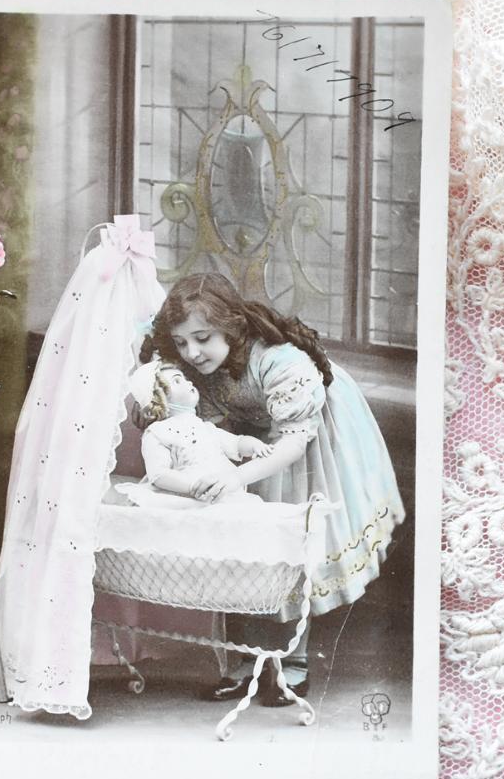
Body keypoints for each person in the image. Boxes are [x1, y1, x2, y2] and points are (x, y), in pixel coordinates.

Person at [141, 272, 405, 706]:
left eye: (202, 338)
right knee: (241, 546)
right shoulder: (193, 365)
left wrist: (236, 477)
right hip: (249, 441)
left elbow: (292, 444)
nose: (192, 352)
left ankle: (294, 661)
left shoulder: (282, 362)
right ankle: (246, 659)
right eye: (182, 342)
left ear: (230, 326)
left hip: (308, 443)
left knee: (292, 546)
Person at [123, 358, 273, 508]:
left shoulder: (206, 428)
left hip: (219, 492)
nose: (189, 382)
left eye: (185, 378)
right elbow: (158, 474)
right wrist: (194, 487)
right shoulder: (157, 432)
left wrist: (254, 445)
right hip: (186, 496)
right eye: (177, 381)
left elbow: (236, 443)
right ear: (158, 399)